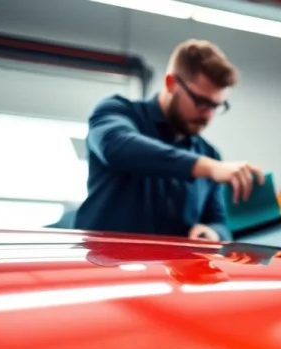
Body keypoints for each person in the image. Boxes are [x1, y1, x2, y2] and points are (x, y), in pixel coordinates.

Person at [74, 39, 263, 241]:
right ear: (171, 83)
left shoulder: (209, 154)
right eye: (201, 102)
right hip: (103, 268)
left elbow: (219, 222)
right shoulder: (118, 110)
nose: (208, 116)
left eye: (216, 106)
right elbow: (114, 146)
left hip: (169, 271)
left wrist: (212, 233)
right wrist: (206, 167)